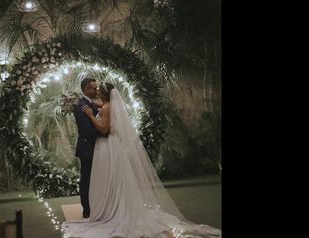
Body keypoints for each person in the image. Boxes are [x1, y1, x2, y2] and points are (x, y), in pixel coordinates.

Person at [62, 82, 221, 238]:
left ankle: (108, 209)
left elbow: (104, 128)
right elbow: (101, 116)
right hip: (105, 146)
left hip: (106, 145)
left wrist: (91, 115)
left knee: (107, 177)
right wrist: (96, 110)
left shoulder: (104, 107)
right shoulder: (104, 105)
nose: (95, 91)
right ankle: (109, 207)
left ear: (103, 94)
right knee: (108, 178)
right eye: (93, 88)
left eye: (97, 89)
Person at [73, 78, 107, 219]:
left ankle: (96, 206)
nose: (96, 90)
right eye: (93, 88)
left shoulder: (90, 104)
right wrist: (105, 132)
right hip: (87, 148)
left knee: (95, 179)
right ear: (86, 89)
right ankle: (87, 209)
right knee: (86, 179)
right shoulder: (81, 106)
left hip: (95, 148)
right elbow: (87, 130)